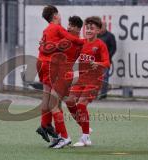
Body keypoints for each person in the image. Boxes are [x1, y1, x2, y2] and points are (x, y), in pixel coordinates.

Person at [36, 5, 83, 149]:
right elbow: (70, 40)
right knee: (54, 103)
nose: (67, 27)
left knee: (49, 101)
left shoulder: (48, 30)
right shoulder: (59, 30)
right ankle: (60, 134)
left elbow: (51, 46)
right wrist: (87, 41)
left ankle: (49, 128)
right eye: (67, 24)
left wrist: (44, 45)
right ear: (55, 15)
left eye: (71, 25)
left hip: (46, 65)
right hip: (53, 67)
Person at [65, 16, 110, 147]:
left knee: (81, 105)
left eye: (92, 28)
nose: (89, 30)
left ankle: (85, 138)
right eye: (87, 28)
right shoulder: (81, 42)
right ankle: (85, 127)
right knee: (69, 101)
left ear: (98, 31)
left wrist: (98, 63)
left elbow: (107, 62)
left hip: (94, 81)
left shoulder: (100, 45)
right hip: (81, 79)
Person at [97, 22, 117, 99]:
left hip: (105, 60)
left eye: (102, 27)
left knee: (104, 77)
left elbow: (113, 48)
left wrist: (108, 56)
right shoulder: (97, 36)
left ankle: (103, 93)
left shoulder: (110, 36)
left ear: (105, 27)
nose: (101, 28)